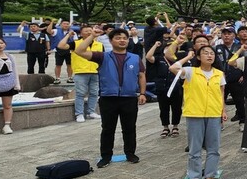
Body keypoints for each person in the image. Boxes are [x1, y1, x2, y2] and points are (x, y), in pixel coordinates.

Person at [73, 28, 147, 168]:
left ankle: (130, 153)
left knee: (130, 128)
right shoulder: (102, 56)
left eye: (125, 38)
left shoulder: (135, 58)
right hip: (108, 98)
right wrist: (93, 36)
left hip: (129, 98)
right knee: (107, 129)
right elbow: (80, 51)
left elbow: (141, 75)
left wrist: (142, 93)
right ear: (111, 41)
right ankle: (106, 156)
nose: (122, 40)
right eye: (118, 38)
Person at [170, 46, 226, 179]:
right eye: (205, 53)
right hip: (195, 113)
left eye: (212, 53)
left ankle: (210, 175)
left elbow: (221, 94)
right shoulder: (190, 72)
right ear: (199, 57)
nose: (209, 56)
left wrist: (223, 111)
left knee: (214, 147)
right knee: (195, 148)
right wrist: (188, 57)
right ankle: (194, 176)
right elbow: (173, 68)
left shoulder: (219, 74)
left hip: (214, 113)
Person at [58, 24, 102, 123]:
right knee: (80, 93)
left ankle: (91, 112)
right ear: (81, 33)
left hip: (95, 72)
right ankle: (79, 113)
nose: (89, 32)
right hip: (80, 72)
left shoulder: (99, 44)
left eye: (90, 30)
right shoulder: (76, 43)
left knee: (94, 93)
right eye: (86, 31)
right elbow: (61, 46)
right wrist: (68, 35)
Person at [146, 40, 182, 138]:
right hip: (162, 87)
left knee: (177, 108)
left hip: (176, 88)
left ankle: (175, 126)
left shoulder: (178, 59)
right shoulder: (159, 59)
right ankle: (165, 127)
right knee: (163, 108)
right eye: (167, 47)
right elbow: (148, 57)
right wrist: (155, 45)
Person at [48, 19, 75, 84]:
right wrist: (52, 23)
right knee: (58, 65)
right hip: (59, 50)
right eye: (64, 24)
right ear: (60, 25)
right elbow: (48, 31)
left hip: (69, 50)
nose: (66, 25)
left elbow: (75, 41)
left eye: (67, 24)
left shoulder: (72, 32)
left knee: (70, 65)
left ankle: (70, 77)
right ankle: (57, 78)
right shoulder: (56, 31)